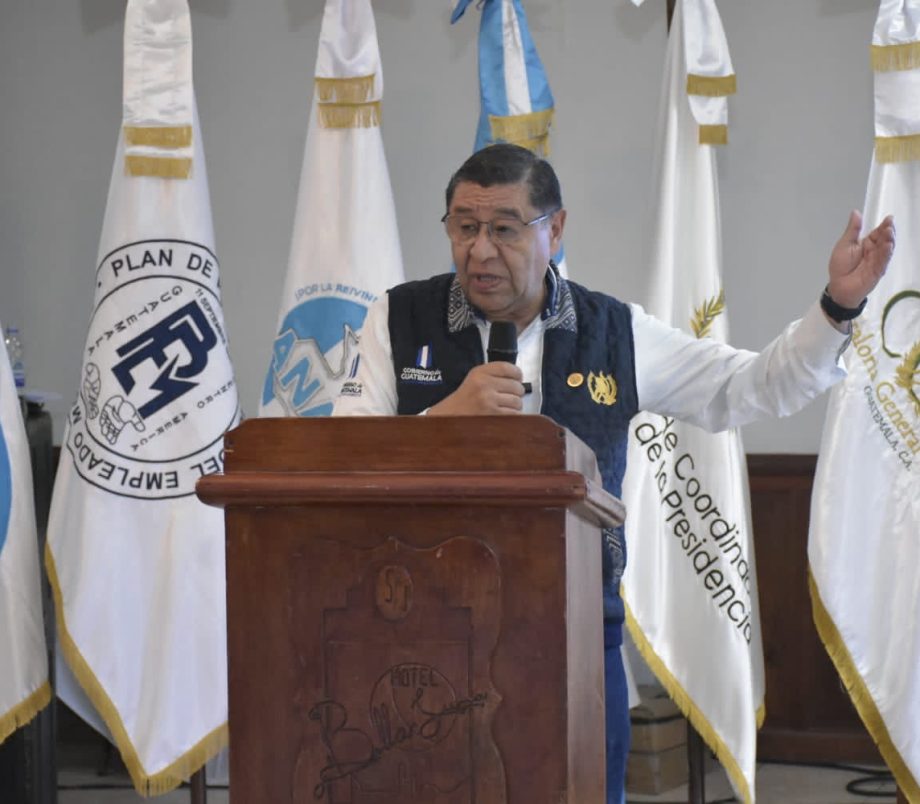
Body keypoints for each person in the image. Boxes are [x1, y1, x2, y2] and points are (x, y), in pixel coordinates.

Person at [332, 143, 895, 802]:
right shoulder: (397, 318)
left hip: (571, 634)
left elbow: (749, 388)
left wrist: (836, 308)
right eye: (464, 227)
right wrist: (442, 422)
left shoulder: (615, 332)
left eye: (505, 229)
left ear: (555, 229)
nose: (480, 251)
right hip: (418, 637)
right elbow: (340, 461)